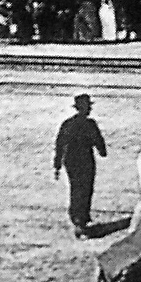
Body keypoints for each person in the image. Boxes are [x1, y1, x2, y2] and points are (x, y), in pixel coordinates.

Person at [54, 94, 107, 237]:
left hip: (71, 161)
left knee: (75, 188)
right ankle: (81, 219)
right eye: (88, 106)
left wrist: (57, 164)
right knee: (86, 189)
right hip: (85, 160)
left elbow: (59, 144)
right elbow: (99, 142)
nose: (89, 109)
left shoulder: (67, 124)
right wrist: (102, 151)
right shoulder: (90, 124)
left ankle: (77, 218)